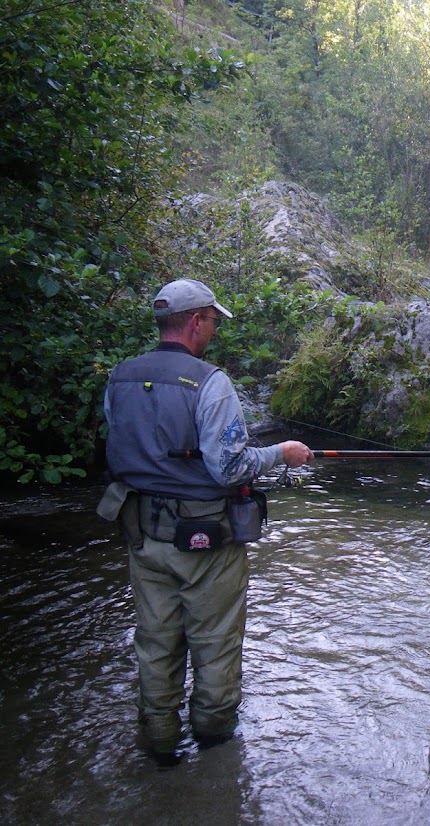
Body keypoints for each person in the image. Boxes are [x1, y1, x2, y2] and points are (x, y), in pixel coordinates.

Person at [100, 278, 312, 761]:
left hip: (143, 534)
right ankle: (216, 749)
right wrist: (282, 453)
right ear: (196, 320)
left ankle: (159, 744)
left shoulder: (120, 377)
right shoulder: (210, 382)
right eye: (213, 320)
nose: (214, 329)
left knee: (156, 642)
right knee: (214, 643)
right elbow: (229, 467)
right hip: (205, 540)